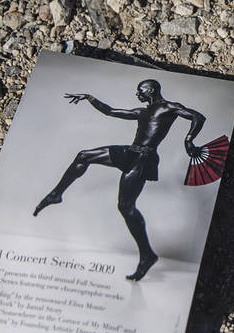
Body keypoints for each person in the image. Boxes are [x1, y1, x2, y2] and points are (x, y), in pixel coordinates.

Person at [33, 79, 204, 281]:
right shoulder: (141, 112)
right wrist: (90, 98)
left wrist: (189, 139)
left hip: (143, 160)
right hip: (130, 153)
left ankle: (147, 255)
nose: (137, 94)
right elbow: (111, 111)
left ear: (150, 90)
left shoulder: (169, 107)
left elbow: (197, 117)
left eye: (140, 91)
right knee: (83, 155)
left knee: (126, 207)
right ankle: (56, 194)